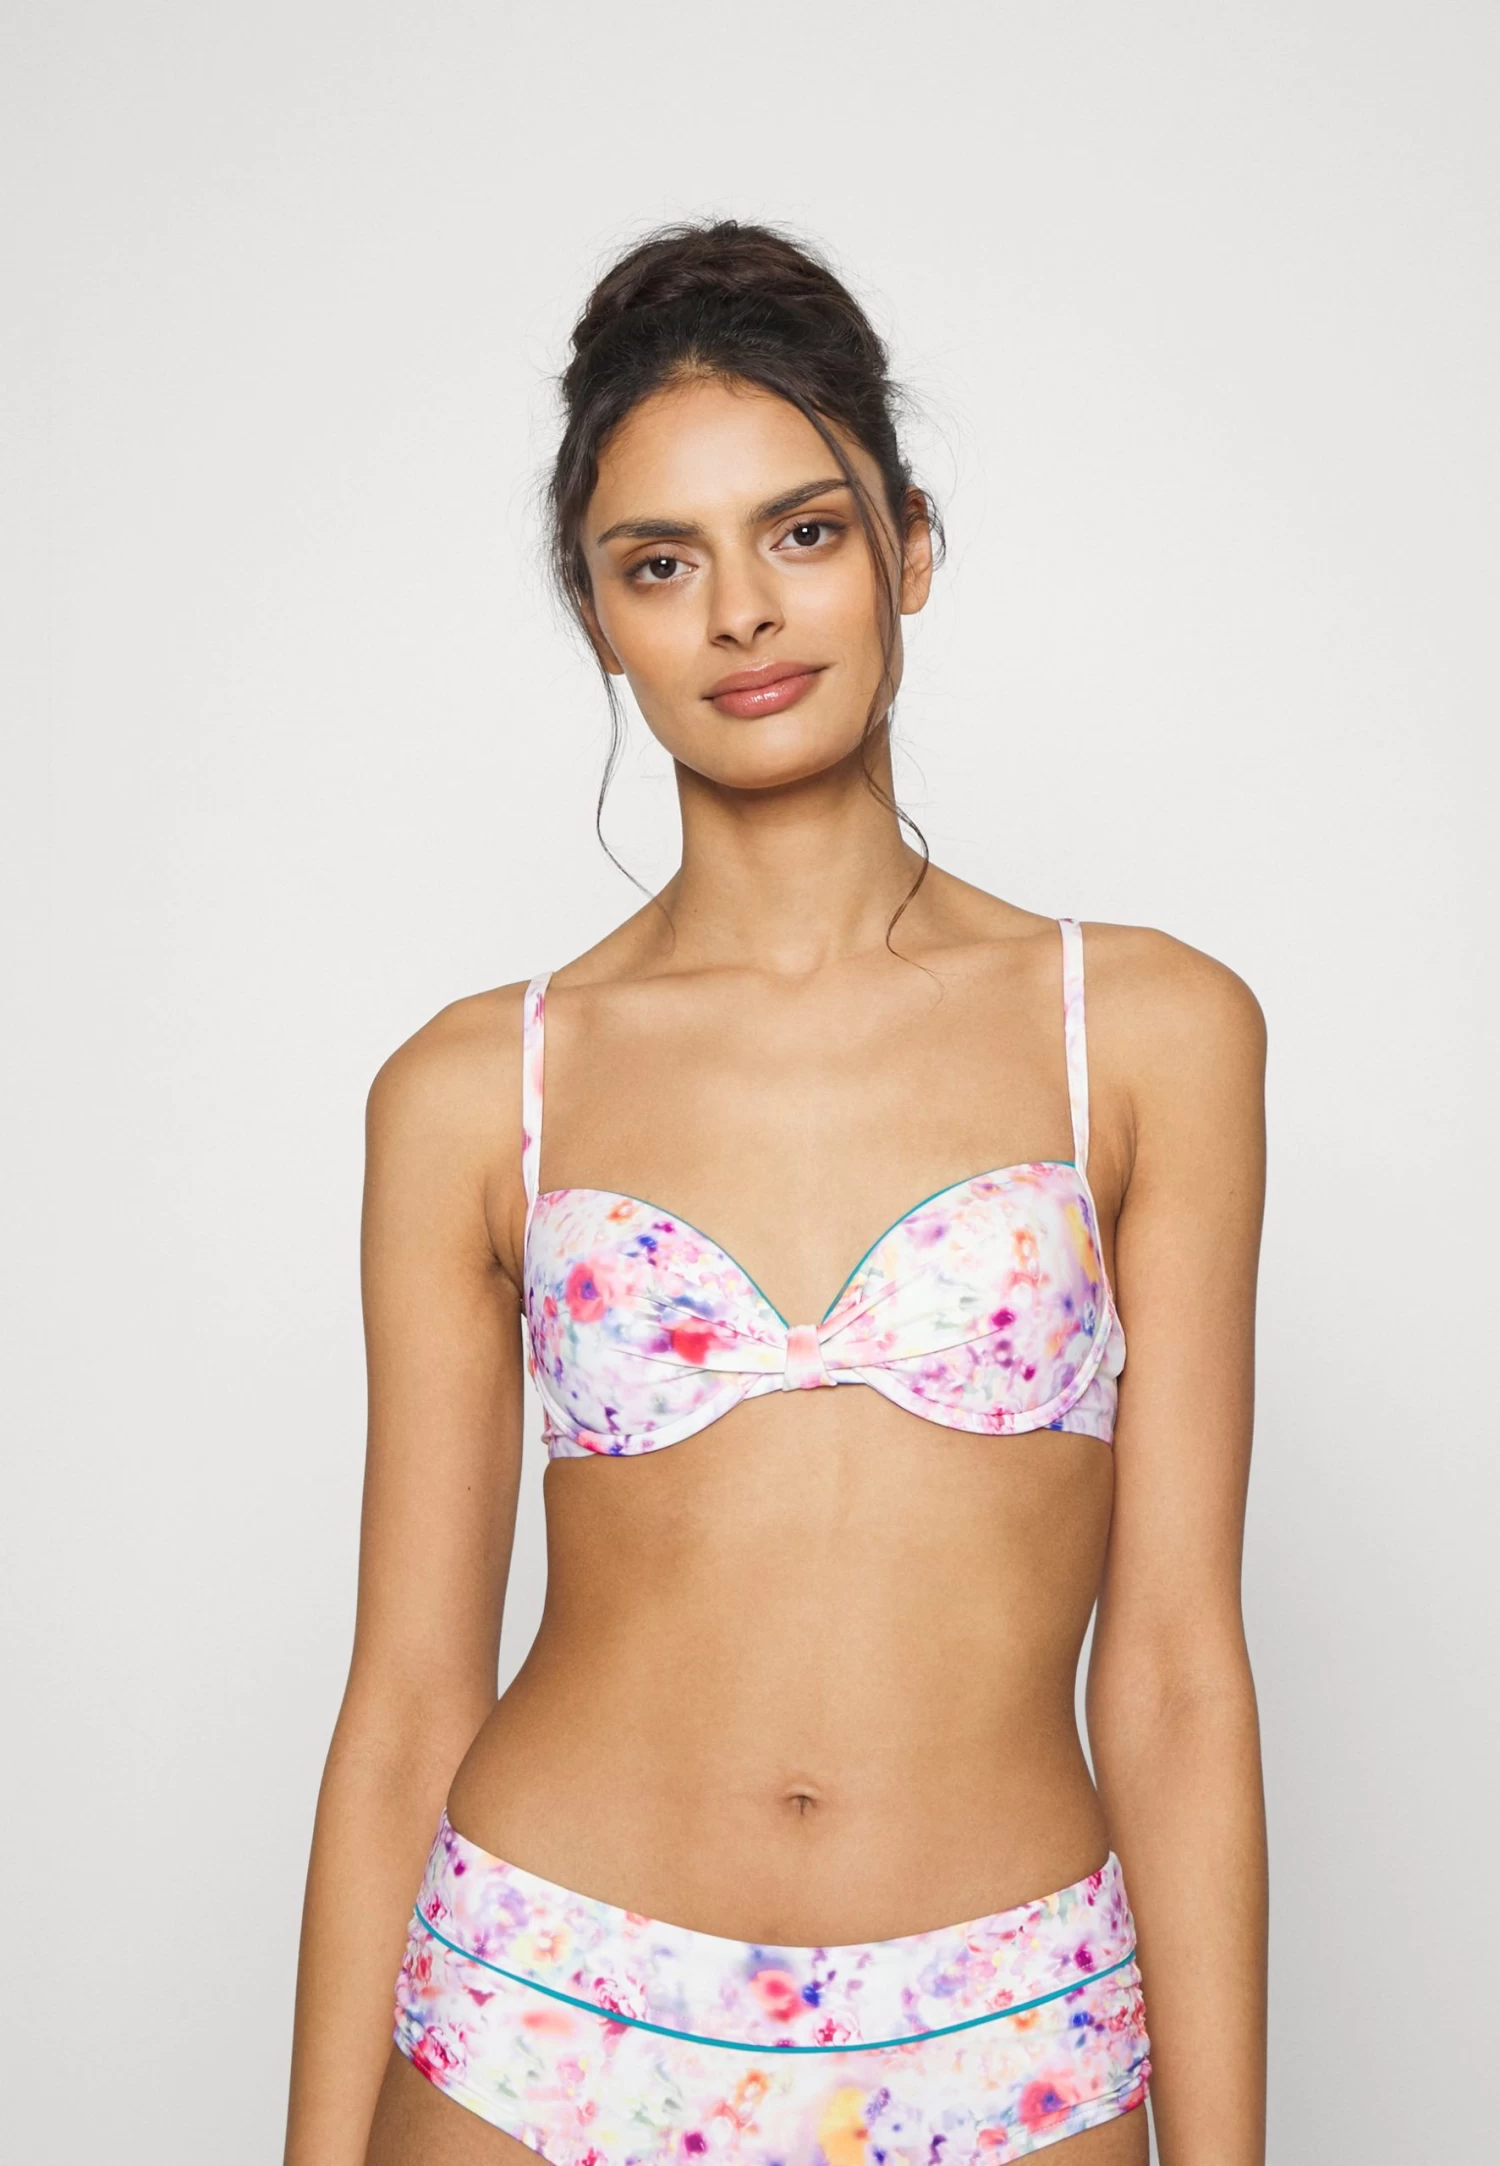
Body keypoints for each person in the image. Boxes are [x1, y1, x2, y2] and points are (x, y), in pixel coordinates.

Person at [284, 220, 1268, 2166]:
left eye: (801, 534)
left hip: (1005, 2025)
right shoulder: (478, 1088)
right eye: (661, 563)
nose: (741, 611)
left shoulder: (1148, 1034)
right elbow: (405, 1697)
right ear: (599, 617)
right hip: (539, 2006)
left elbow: (1173, 1675)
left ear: (910, 548)